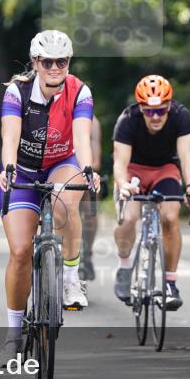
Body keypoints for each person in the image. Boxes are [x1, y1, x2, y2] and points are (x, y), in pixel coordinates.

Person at [0, 29, 100, 366]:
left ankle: (71, 278)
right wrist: (9, 167)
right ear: (36, 62)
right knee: (20, 250)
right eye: (48, 61)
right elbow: (9, 136)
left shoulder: (79, 91)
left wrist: (87, 169)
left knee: (65, 204)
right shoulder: (17, 91)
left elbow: (82, 137)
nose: (56, 67)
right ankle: (12, 336)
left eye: (63, 61)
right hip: (23, 170)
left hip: (61, 162)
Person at [112, 75, 190, 310]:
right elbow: (120, 163)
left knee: (171, 217)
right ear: (140, 108)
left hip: (165, 170)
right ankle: (124, 267)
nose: (155, 117)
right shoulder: (128, 119)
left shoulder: (181, 116)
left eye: (160, 111)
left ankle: (170, 284)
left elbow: (186, 157)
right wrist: (123, 185)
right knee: (129, 217)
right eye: (149, 111)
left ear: (169, 106)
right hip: (133, 171)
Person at [79, 116, 102, 281]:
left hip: (84, 171)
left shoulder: (92, 121)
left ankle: (87, 255)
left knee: (90, 210)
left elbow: (96, 161)